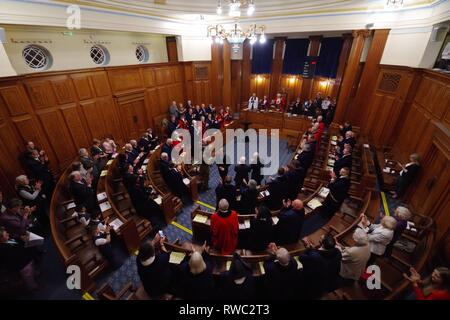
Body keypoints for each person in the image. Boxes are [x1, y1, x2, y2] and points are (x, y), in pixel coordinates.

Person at [0, 226, 39, 291]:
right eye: (5, 235)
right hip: (22, 265)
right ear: (0, 239)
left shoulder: (8, 239)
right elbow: (13, 259)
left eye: (6, 232)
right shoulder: (3, 249)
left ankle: (34, 273)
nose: (8, 234)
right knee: (28, 277)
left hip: (26, 260)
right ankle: (33, 288)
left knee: (32, 270)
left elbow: (16, 243)